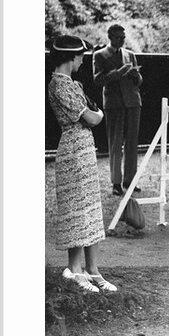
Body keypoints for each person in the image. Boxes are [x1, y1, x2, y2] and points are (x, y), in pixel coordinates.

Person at [47, 35, 117, 293]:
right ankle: (75, 270)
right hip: (74, 150)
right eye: (80, 56)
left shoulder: (70, 84)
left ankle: (91, 270)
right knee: (78, 208)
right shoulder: (60, 85)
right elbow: (91, 116)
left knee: (88, 206)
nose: (81, 61)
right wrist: (97, 114)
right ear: (71, 57)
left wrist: (95, 114)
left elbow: (91, 114)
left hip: (83, 148)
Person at [93, 24, 143, 196]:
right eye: (119, 37)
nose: (122, 40)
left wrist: (136, 75)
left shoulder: (130, 55)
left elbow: (139, 81)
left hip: (133, 103)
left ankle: (130, 180)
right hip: (114, 104)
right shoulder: (99, 55)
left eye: (124, 37)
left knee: (132, 144)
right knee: (115, 143)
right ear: (110, 37)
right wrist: (119, 72)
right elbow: (98, 80)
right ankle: (116, 182)